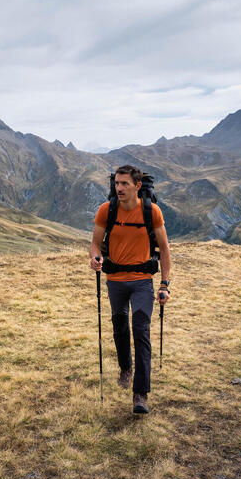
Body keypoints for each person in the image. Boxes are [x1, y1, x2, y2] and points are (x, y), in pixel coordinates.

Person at [90, 165, 172, 414]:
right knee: (119, 324)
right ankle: (126, 368)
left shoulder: (151, 212)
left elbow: (165, 251)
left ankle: (140, 395)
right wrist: (95, 258)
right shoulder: (107, 209)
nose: (119, 188)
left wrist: (165, 285)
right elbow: (95, 244)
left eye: (125, 183)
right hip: (115, 279)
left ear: (137, 186)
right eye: (117, 183)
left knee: (140, 328)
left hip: (142, 280)